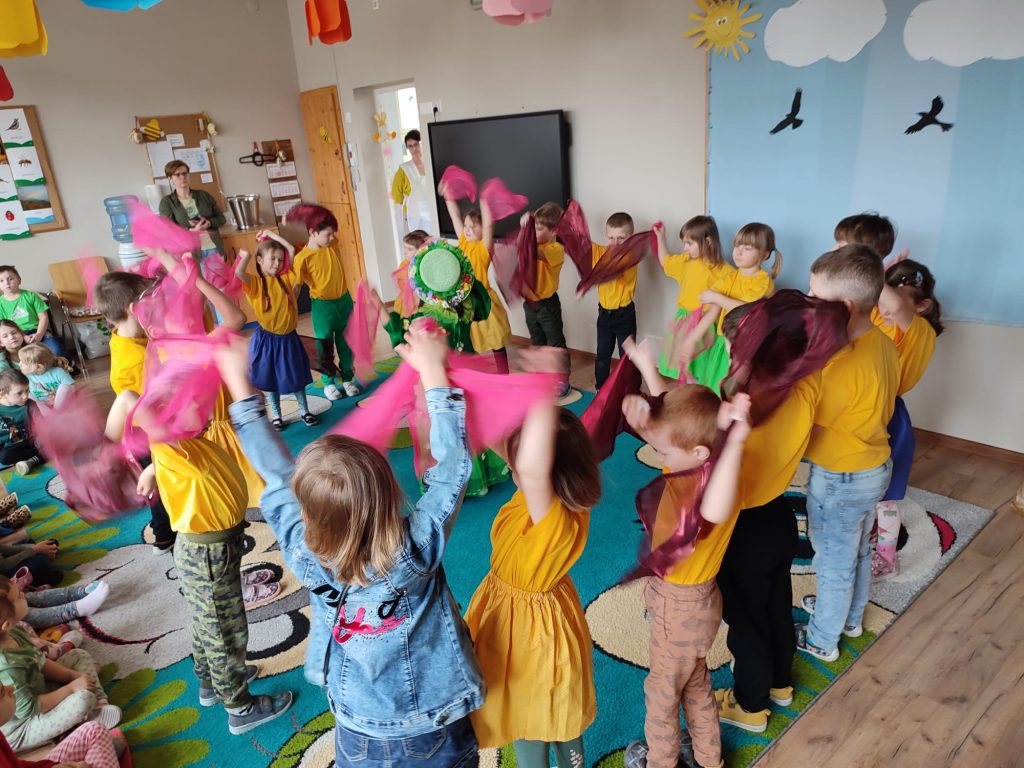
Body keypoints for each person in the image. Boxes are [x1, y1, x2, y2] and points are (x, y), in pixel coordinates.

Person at [222, 322, 485, 768]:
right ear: (388, 492)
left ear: (306, 510)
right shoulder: (415, 547)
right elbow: (451, 472)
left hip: (356, 726)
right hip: (432, 725)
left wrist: (239, 388)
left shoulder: (300, 549)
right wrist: (433, 372)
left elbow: (276, 475)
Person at [712, 293, 846, 733]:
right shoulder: (805, 388)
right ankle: (780, 684)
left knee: (746, 622)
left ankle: (750, 705)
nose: (729, 359)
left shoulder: (741, 408)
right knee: (774, 605)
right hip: (779, 518)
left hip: (744, 530)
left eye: (733, 351)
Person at [463, 363, 601, 768]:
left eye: (521, 461)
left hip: (535, 634)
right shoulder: (535, 495)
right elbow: (499, 441)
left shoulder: (553, 516)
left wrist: (540, 389)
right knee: (521, 711)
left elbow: (531, 468)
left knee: (546, 710)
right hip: (514, 619)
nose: (512, 466)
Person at [621, 340, 752, 768]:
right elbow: (677, 426)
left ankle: (661, 762)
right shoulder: (708, 465)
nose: (658, 455)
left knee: (661, 694)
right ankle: (709, 758)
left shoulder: (702, 493)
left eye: (663, 451)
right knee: (695, 681)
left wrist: (737, 440)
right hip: (699, 601)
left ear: (697, 453)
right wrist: (647, 370)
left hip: (679, 608)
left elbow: (712, 509)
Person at [798, 244, 899, 662]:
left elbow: (809, 418)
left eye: (814, 296)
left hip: (840, 476)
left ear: (843, 307)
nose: (807, 301)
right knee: (856, 550)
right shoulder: (883, 343)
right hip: (874, 466)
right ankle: (849, 618)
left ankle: (822, 638)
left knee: (833, 563)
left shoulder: (840, 364)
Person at [869, 259, 943, 579]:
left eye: (894, 301)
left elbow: (897, 308)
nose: (885, 308)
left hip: (887, 416)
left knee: (886, 496)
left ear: (921, 306)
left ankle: (887, 558)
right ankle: (863, 532)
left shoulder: (919, 331)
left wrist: (871, 266)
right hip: (861, 409)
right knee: (858, 486)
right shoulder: (877, 316)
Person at [93, 271, 176, 555]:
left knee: (162, 482)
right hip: (148, 433)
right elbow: (150, 405)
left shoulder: (124, 337)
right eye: (149, 300)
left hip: (145, 427)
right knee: (162, 485)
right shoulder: (135, 361)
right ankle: (164, 536)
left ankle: (165, 530)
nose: (155, 304)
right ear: (134, 309)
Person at [0, 577, 120, 753]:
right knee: (82, 700)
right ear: (5, 624)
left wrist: (72, 676)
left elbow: (41, 663)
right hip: (24, 726)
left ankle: (99, 705)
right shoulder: (7, 666)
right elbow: (29, 710)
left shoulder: (15, 630)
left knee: (77, 655)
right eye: (18, 596)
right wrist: (71, 688)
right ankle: (81, 719)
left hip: (39, 691)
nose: (23, 595)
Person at [235, 233, 317, 429]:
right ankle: (277, 415)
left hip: (289, 339)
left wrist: (271, 235)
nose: (277, 263)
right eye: (272, 259)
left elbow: (291, 250)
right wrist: (245, 257)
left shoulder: (286, 278)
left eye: (280, 260)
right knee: (270, 379)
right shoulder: (256, 284)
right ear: (260, 260)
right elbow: (239, 273)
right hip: (268, 341)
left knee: (296, 376)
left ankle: (304, 411)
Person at [687, 222, 781, 392]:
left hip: (744, 347)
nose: (738, 252)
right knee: (713, 386)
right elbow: (714, 309)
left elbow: (747, 309)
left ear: (764, 255)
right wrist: (693, 338)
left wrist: (716, 297)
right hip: (723, 341)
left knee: (732, 389)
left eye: (747, 248)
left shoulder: (763, 281)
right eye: (737, 246)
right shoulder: (730, 277)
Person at [289, 204, 360, 400]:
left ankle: (347, 378)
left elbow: (322, 216)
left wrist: (309, 215)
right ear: (313, 232)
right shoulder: (303, 258)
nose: (331, 238)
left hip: (344, 302)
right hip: (323, 307)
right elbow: (296, 286)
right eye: (327, 235)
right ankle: (329, 383)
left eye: (332, 234)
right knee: (324, 346)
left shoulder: (331, 245)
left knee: (346, 344)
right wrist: (290, 307)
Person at [654, 216, 735, 381]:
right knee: (683, 367)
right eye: (684, 243)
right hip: (685, 321)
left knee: (701, 370)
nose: (685, 248)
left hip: (706, 326)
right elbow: (665, 261)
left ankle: (697, 393)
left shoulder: (726, 272)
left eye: (689, 243)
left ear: (708, 241)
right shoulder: (686, 261)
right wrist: (660, 238)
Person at [441, 193, 512, 371]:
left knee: (495, 338)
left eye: (473, 226)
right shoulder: (463, 243)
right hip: (464, 301)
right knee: (468, 339)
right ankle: (471, 373)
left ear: (482, 230)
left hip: (482, 301)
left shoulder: (483, 249)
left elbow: (489, 226)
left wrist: (485, 203)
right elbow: (455, 216)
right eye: (466, 226)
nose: (467, 229)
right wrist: (449, 197)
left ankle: (503, 373)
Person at [592, 212, 639, 389]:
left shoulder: (631, 257)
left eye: (621, 238)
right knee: (602, 354)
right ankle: (601, 388)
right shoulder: (600, 252)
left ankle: (631, 391)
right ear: (606, 235)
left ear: (631, 237)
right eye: (611, 238)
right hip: (604, 315)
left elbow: (614, 271)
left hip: (624, 315)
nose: (615, 243)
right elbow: (576, 241)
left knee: (628, 356)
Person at [157, 160, 227, 263]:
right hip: (189, 253)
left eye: (185, 173)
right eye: (177, 175)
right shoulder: (167, 202)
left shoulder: (203, 195)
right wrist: (192, 231)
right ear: (170, 178)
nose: (182, 177)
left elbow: (221, 218)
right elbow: (169, 231)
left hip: (213, 249)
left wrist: (209, 223)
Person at [0, 266, 70, 360]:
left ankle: (69, 365)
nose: (7, 283)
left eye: (10, 279)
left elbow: (43, 317)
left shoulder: (31, 296)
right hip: (14, 335)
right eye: (1, 281)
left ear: (19, 280)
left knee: (56, 350)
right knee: (18, 357)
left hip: (38, 330)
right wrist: (23, 337)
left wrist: (39, 334)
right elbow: (3, 327)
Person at [0, 370, 43, 476]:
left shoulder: (30, 405)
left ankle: (32, 461)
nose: (25, 396)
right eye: (19, 393)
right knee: (5, 457)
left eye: (27, 391)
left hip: (31, 442)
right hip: (10, 447)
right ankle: (39, 456)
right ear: (3, 394)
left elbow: (42, 427)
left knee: (52, 441)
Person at [391, 130, 435, 234]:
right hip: (414, 215)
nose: (414, 149)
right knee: (418, 242)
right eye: (410, 146)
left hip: (433, 211)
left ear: (422, 143)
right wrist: (412, 204)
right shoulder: (403, 170)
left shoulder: (431, 164)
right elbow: (397, 196)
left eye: (416, 144)